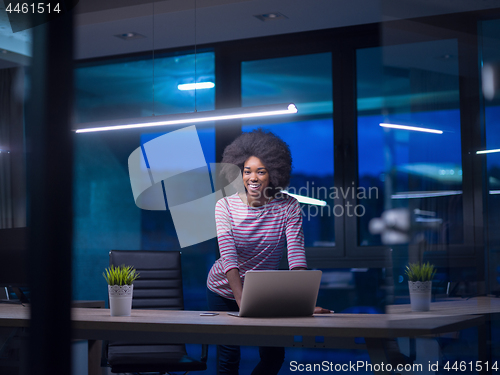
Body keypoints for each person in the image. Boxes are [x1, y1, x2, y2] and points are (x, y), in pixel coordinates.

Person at [206, 129, 330, 375]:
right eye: (247, 171)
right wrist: (242, 301)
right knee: (229, 360)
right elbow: (228, 256)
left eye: (261, 171)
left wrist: (301, 303)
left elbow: (295, 255)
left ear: (273, 173)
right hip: (224, 289)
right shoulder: (225, 206)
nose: (253, 177)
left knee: (274, 357)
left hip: (264, 293)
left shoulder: (288, 206)